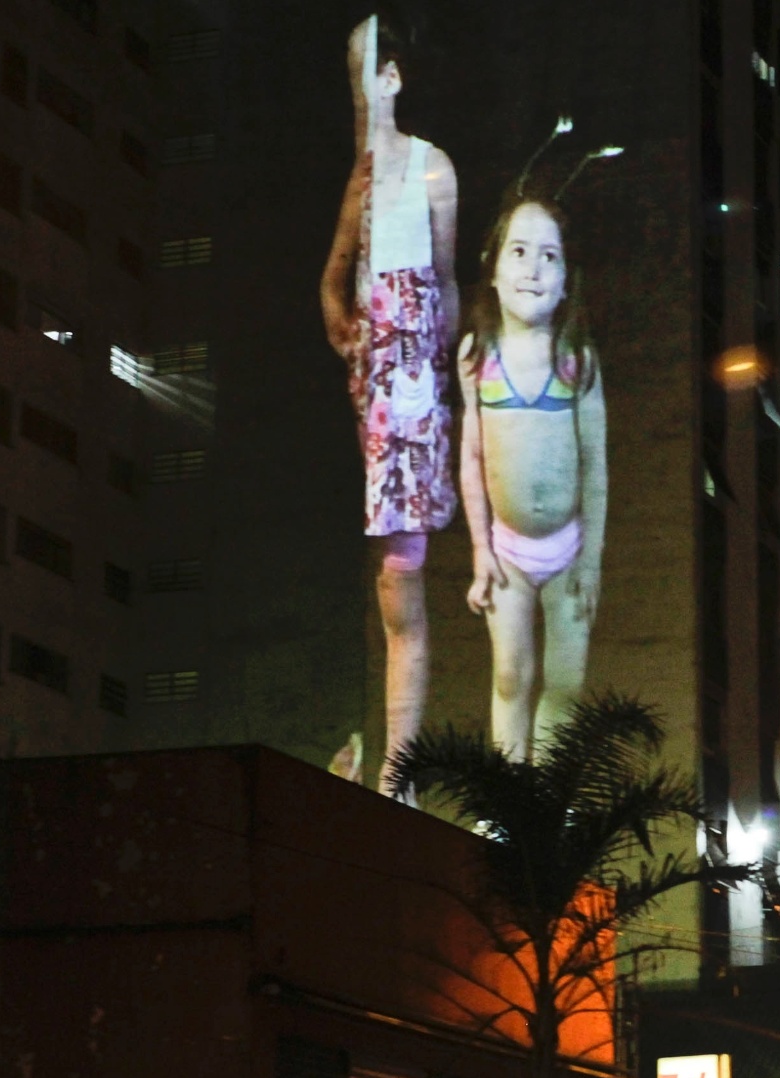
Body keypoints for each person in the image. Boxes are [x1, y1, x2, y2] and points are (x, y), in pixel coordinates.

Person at [318, 10, 459, 794]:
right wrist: (341, 322)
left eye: (368, 67)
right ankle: (389, 772)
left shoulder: (432, 166)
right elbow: (333, 274)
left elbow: (443, 278)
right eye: (352, 70)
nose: (360, 84)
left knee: (403, 562)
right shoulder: (363, 175)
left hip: (415, 377)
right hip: (375, 378)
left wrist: (444, 366)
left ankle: (397, 774)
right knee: (388, 564)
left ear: (395, 77)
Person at [457, 195, 608, 761]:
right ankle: (510, 804)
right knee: (508, 680)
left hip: (567, 550)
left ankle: (548, 804)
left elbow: (596, 464)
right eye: (519, 252)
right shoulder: (478, 355)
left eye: (550, 256)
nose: (533, 268)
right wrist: (480, 550)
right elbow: (471, 458)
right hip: (508, 553)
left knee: (565, 686)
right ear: (493, 269)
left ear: (566, 279)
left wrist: (590, 559)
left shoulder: (577, 359)